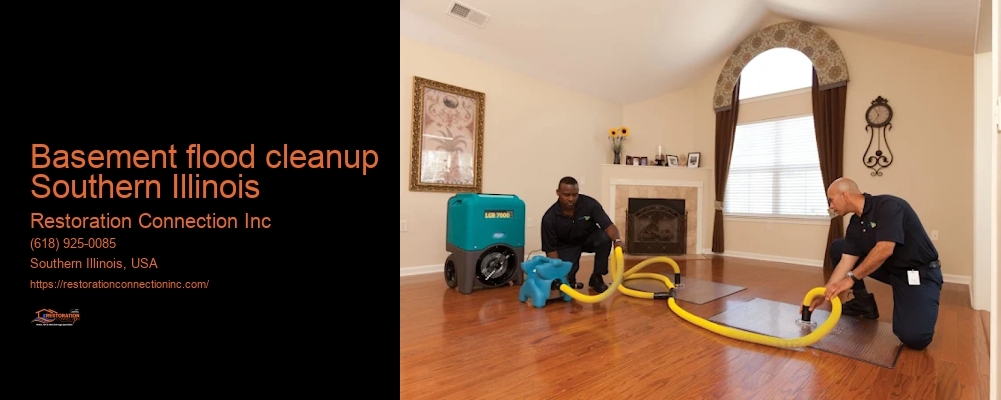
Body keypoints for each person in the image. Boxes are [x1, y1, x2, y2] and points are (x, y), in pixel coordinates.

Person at [807, 177, 943, 350]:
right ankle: (863, 304)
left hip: (918, 273)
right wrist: (824, 293)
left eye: (831, 200)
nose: (830, 207)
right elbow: (845, 262)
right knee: (839, 247)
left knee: (914, 338)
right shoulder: (855, 224)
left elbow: (885, 248)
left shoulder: (888, 206)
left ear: (844, 195)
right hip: (891, 269)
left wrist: (851, 279)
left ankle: (917, 298)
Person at [540, 176, 622, 293]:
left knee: (604, 238)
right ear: (558, 193)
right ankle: (570, 280)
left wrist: (617, 240)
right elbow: (550, 249)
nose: (571, 199)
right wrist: (559, 273)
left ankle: (597, 277)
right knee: (567, 282)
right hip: (566, 245)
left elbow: (608, 225)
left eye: (574, 195)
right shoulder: (549, 218)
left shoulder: (590, 204)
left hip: (588, 239)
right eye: (566, 195)